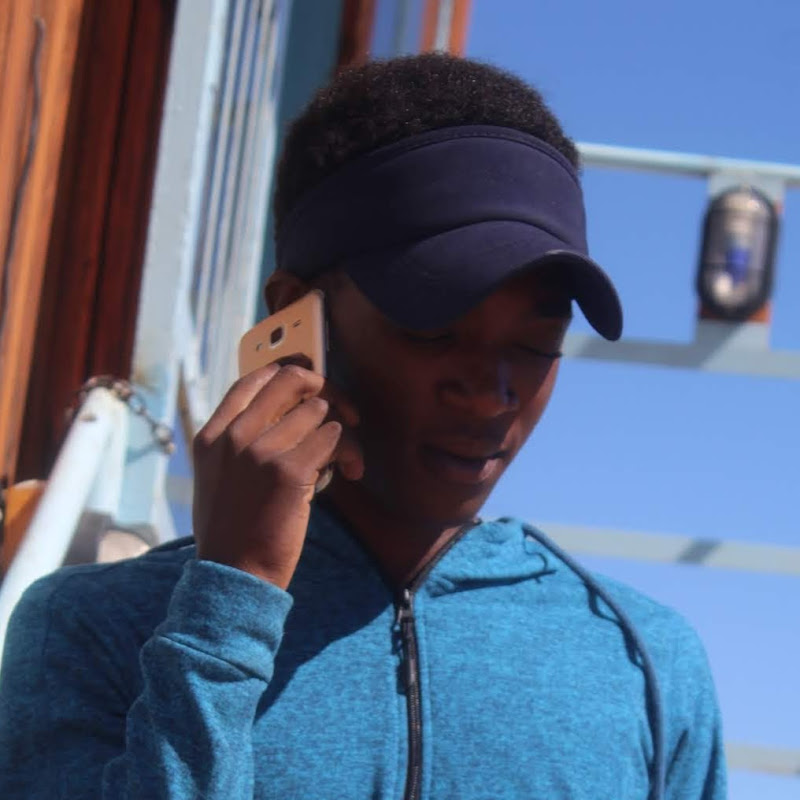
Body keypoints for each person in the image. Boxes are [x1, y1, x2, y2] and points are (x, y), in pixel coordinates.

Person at [0, 53, 726, 799]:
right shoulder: (90, 628)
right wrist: (231, 606)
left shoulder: (649, 663)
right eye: (433, 330)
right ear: (294, 316)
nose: (490, 395)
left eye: (538, 343)